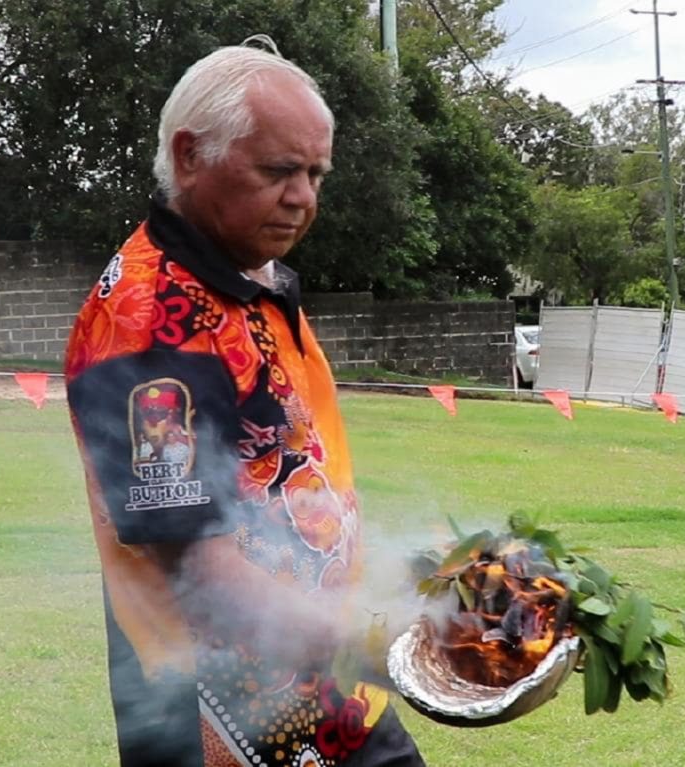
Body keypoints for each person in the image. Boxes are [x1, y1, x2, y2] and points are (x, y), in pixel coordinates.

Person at [65, 37, 425, 767]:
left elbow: (290, 472)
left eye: (316, 173)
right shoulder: (151, 320)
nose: (304, 197)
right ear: (191, 155)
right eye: (279, 170)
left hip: (324, 687)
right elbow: (199, 569)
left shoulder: (250, 278)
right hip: (225, 720)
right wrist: (399, 645)